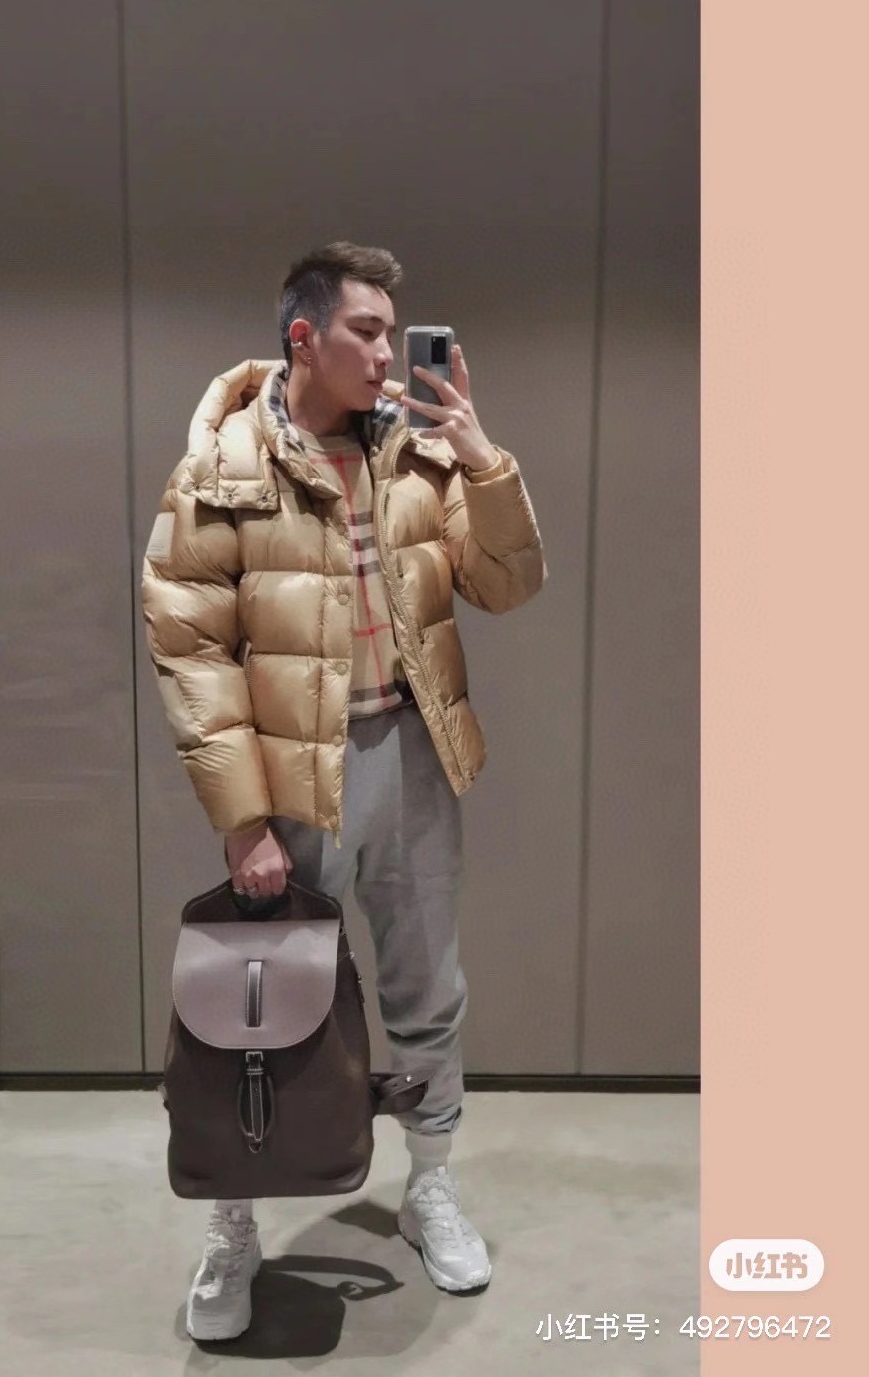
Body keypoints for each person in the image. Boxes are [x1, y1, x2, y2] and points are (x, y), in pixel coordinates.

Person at [140, 240, 547, 1341]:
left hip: (412, 751)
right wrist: (243, 820)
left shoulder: (420, 454)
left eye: (393, 331)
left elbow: (509, 584)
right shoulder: (221, 465)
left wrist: (483, 459)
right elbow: (190, 651)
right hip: (291, 773)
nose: (386, 352)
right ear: (303, 337)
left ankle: (430, 1186)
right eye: (366, 330)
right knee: (251, 1001)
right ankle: (233, 1223)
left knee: (427, 987)